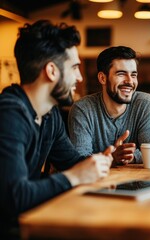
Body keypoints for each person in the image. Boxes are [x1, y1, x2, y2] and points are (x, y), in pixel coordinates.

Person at [0, 20, 114, 238]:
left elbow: (71, 161)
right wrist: (74, 177)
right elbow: (14, 198)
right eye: (74, 68)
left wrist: (100, 161)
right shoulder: (9, 115)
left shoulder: (50, 114)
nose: (79, 77)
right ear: (51, 71)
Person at [68, 46, 150, 165]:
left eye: (133, 75)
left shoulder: (145, 104)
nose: (130, 81)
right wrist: (112, 158)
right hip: (97, 182)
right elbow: (79, 159)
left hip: (138, 182)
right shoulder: (82, 109)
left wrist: (126, 156)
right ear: (102, 78)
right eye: (121, 74)